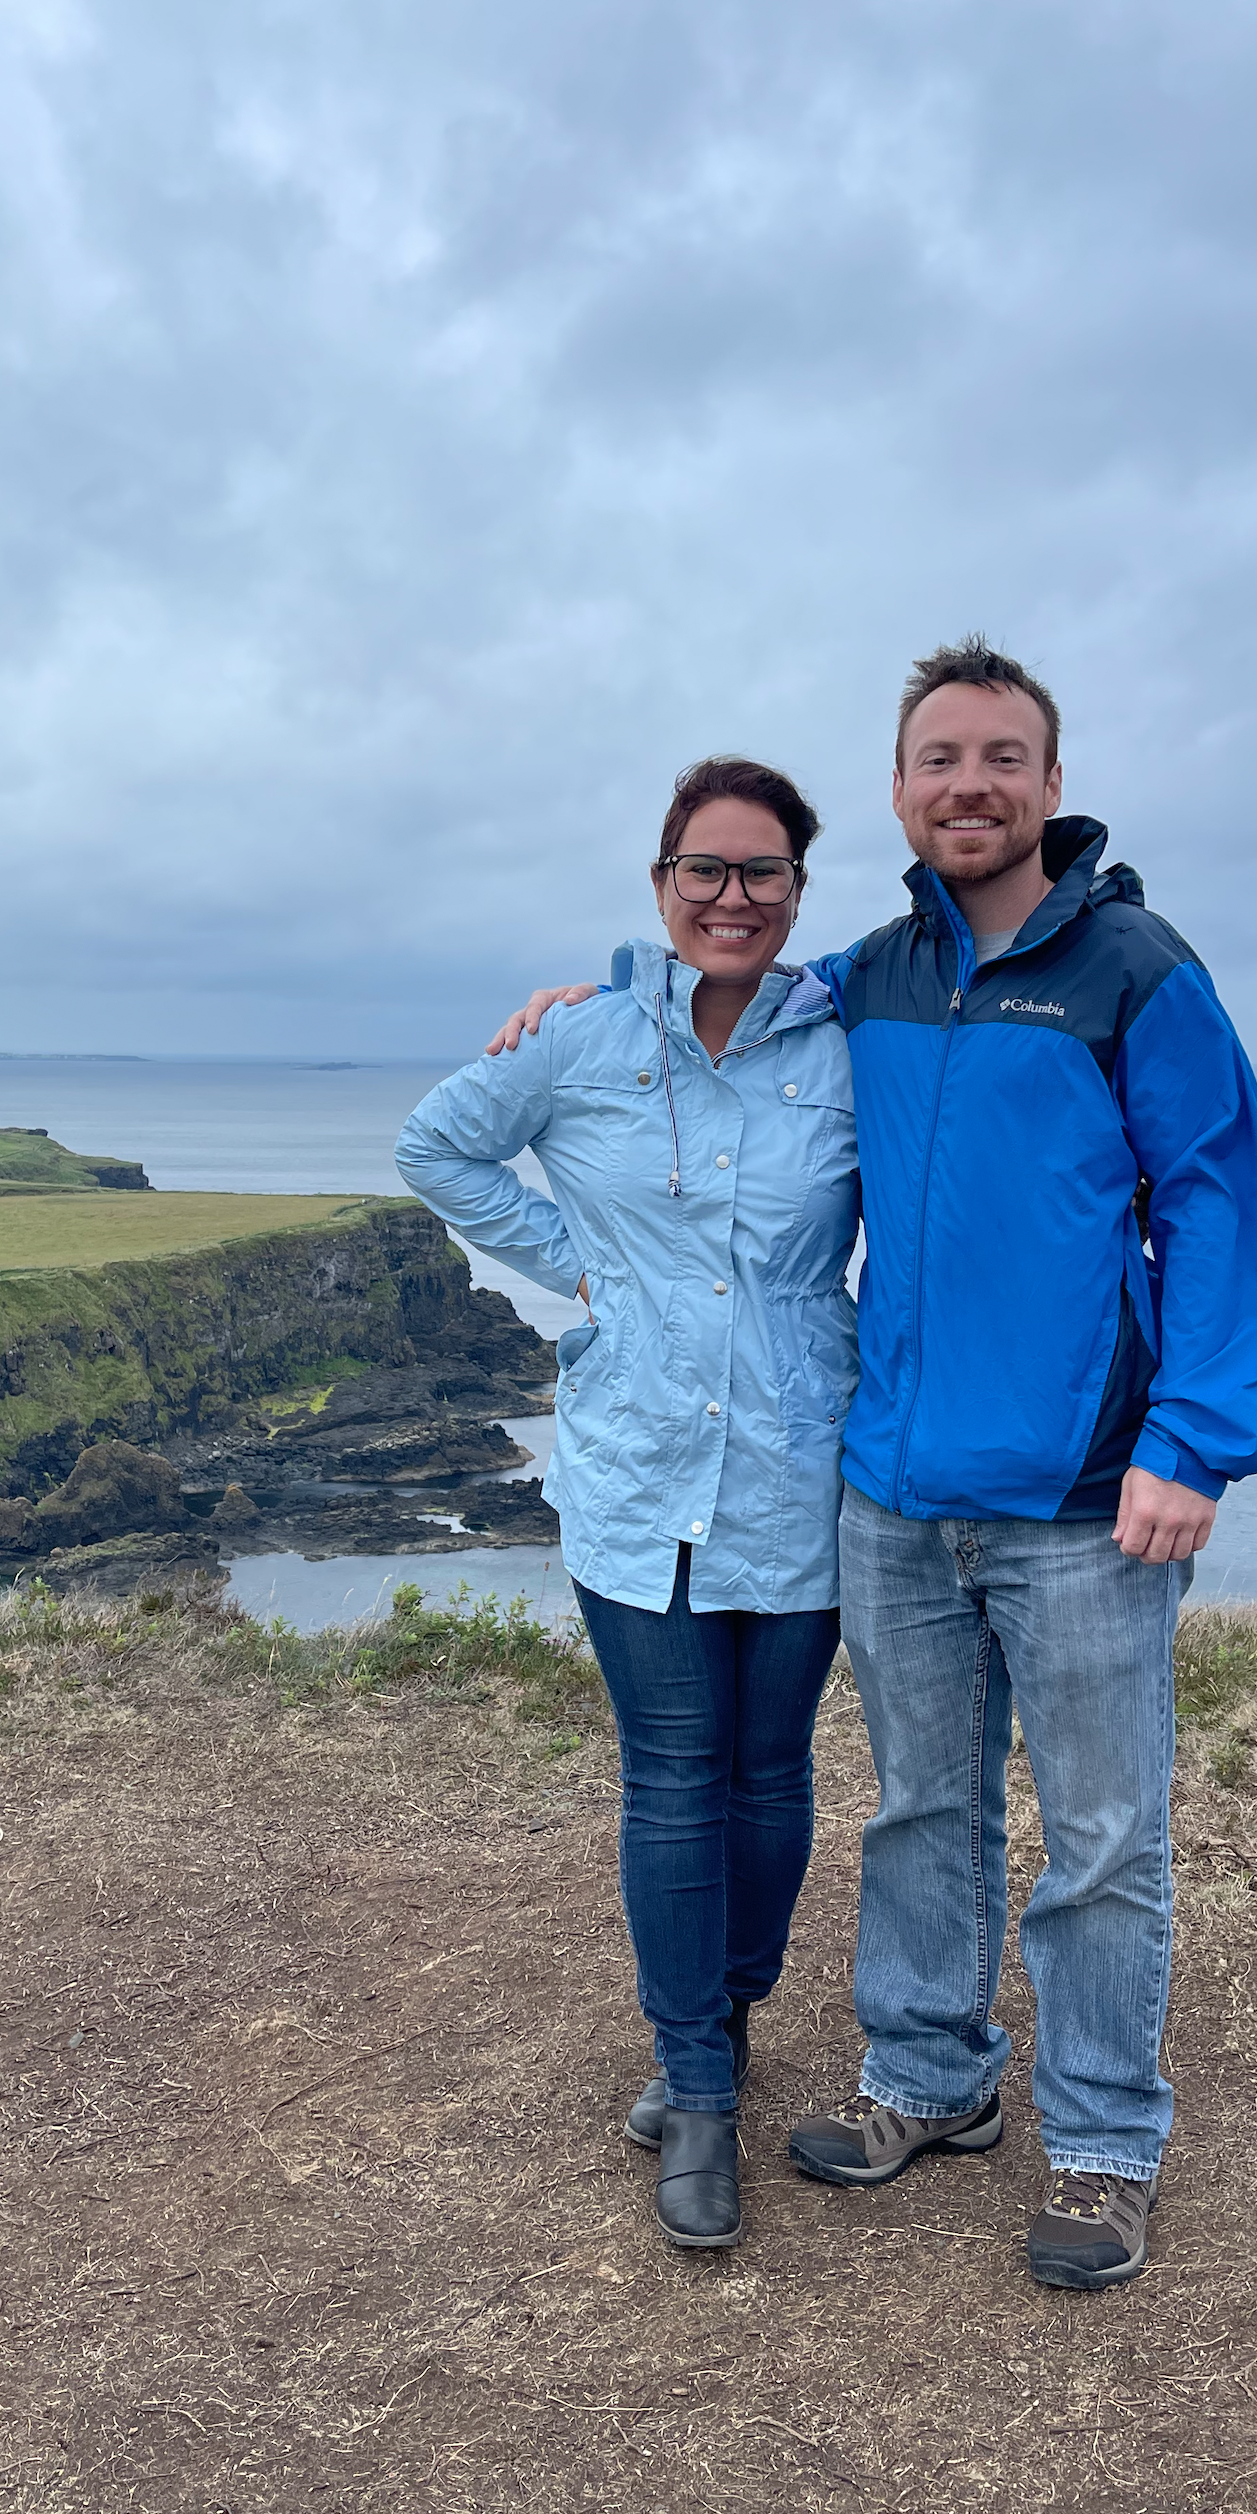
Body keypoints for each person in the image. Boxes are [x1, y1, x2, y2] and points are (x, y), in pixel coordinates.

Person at [489, 638, 1257, 2290]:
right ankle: (932, 2080)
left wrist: (1194, 1439)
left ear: (1051, 785)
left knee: (1098, 1836)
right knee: (921, 1808)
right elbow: (710, 1029)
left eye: (1002, 757)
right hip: (887, 1487)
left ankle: (1096, 2139)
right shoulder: (860, 982)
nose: (970, 786)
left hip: (1084, 1492)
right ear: (897, 789)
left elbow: (1218, 1201)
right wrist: (581, 1006)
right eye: (939, 759)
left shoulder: (1133, 973)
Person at [395, 758, 861, 2252]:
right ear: (659, 886)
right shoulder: (585, 1038)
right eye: (703, 871)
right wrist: (578, 1277)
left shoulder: (848, 1042)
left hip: (797, 1454)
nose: (733, 896)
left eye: (763, 873)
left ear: (796, 890)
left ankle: (722, 2020)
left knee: (771, 1773)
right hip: (634, 1458)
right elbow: (437, 1143)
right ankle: (695, 2085)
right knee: (672, 1772)